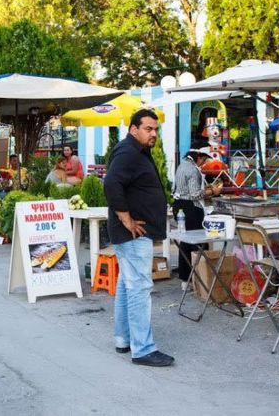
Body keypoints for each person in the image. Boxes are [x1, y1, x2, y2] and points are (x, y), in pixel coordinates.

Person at [103, 109, 173, 367]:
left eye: (156, 129)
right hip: (133, 233)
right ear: (134, 129)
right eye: (148, 129)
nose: (153, 133)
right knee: (139, 288)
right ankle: (143, 349)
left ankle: (124, 339)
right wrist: (126, 219)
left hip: (134, 234)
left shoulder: (137, 151)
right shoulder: (128, 151)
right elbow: (111, 183)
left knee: (126, 284)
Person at [172, 147, 222, 288]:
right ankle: (199, 279)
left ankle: (185, 279)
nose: (204, 163)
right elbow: (194, 194)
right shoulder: (193, 170)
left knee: (186, 242)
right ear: (198, 157)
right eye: (204, 159)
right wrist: (213, 191)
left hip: (179, 205)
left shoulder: (182, 165)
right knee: (197, 243)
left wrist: (207, 188)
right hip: (191, 208)